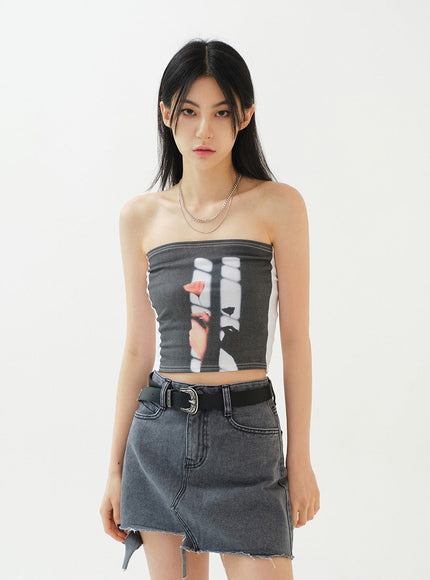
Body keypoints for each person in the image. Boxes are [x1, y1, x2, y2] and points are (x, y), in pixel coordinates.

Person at [99, 38, 320, 580]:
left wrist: (300, 460)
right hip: (160, 439)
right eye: (189, 111)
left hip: (248, 441)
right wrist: (114, 470)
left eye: (221, 112)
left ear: (245, 115)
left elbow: (295, 341)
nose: (204, 130)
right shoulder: (140, 218)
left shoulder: (279, 205)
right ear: (166, 114)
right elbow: (136, 350)